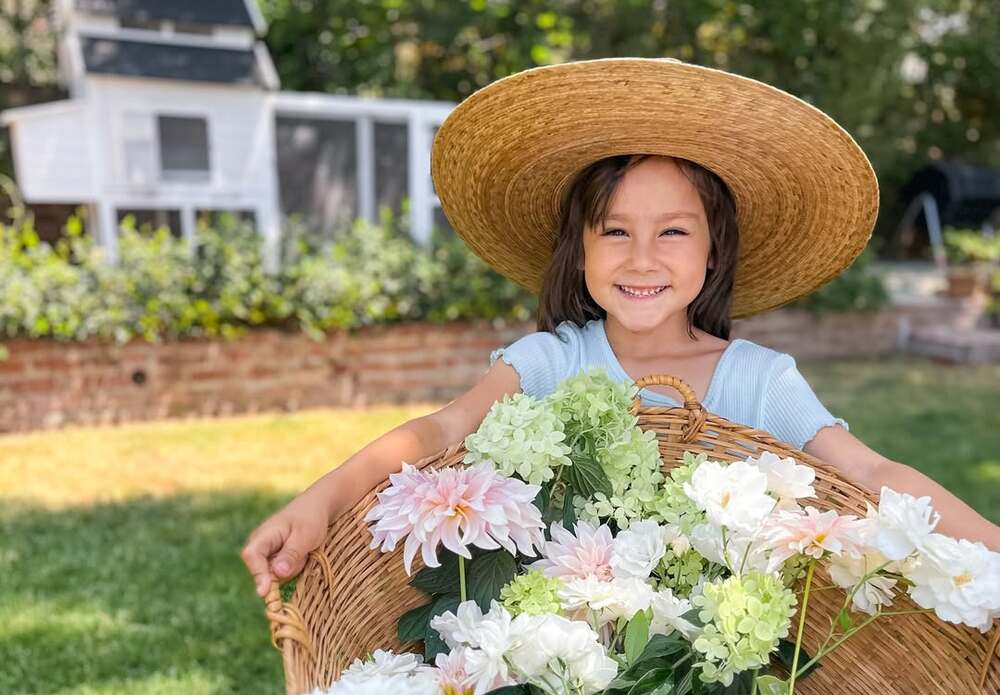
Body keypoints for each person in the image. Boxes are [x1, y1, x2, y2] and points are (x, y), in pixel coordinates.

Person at [241, 58, 999, 597]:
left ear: (713, 250)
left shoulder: (761, 382)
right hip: (563, 654)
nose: (642, 258)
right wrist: (322, 498)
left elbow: (868, 475)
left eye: (672, 233)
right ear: (579, 248)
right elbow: (437, 433)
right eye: (613, 232)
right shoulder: (547, 363)